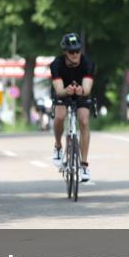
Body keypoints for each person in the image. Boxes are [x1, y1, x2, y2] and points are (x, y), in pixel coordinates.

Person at [49, 33, 96, 182]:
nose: (75, 54)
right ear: (65, 52)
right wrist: (66, 91)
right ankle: (57, 146)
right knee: (60, 116)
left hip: (81, 93)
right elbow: (59, 90)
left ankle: (84, 165)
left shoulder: (87, 63)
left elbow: (87, 88)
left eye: (77, 51)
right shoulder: (56, 64)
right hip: (63, 92)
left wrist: (82, 91)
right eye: (71, 52)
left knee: (83, 121)